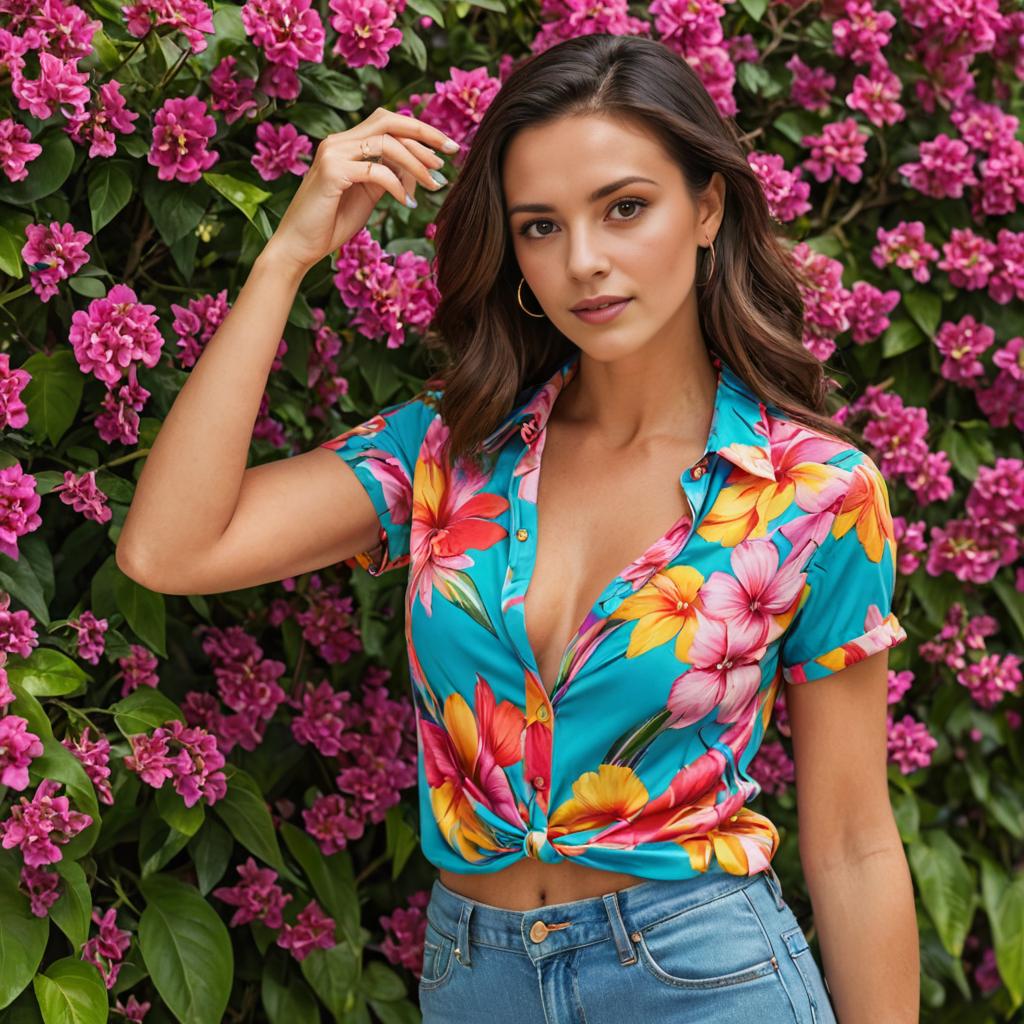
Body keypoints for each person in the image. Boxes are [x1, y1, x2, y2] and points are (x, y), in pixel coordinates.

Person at [117, 31, 920, 1024]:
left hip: (705, 976)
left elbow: (851, 839)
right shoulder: (443, 455)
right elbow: (169, 549)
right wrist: (287, 258)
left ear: (706, 207)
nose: (583, 261)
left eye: (626, 208)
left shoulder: (815, 491)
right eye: (540, 227)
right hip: (477, 978)